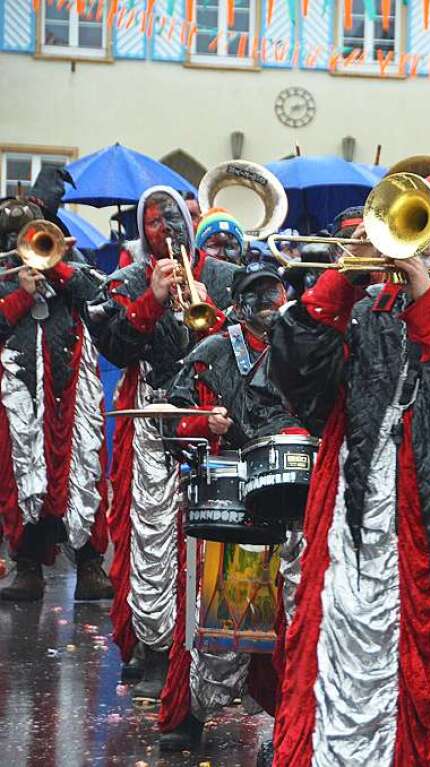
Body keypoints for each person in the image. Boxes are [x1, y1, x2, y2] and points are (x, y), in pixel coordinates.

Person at [269, 171, 430, 766]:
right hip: (366, 509)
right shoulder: (366, 305)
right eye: (425, 218)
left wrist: (426, 302)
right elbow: (296, 384)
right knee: (355, 652)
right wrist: (340, 283)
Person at [87, 186, 239, 700]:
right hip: (152, 415)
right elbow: (112, 346)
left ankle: (213, 654)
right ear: (141, 229)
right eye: (153, 222)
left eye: (173, 217)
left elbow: (250, 341)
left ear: (190, 220)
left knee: (212, 532)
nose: (165, 228)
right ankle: (155, 648)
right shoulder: (126, 280)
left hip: (212, 410)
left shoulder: (227, 277)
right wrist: (150, 299)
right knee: (153, 534)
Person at [157, 262, 306, 751]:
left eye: (276, 293)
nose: (270, 303)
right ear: (239, 306)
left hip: (296, 499)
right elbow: (173, 426)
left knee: (295, 618)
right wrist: (205, 425)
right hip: (235, 501)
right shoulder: (213, 352)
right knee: (227, 618)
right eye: (259, 295)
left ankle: (290, 725)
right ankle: (191, 714)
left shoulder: (303, 347)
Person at [0, 194, 112, 602]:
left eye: (30, 235)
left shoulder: (73, 269)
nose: (24, 242)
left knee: (84, 472)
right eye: (14, 237)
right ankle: (27, 568)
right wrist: (21, 295)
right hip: (22, 400)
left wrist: (57, 266)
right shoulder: (3, 277)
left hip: (73, 393)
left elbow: (102, 300)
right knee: (22, 477)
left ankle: (90, 567)